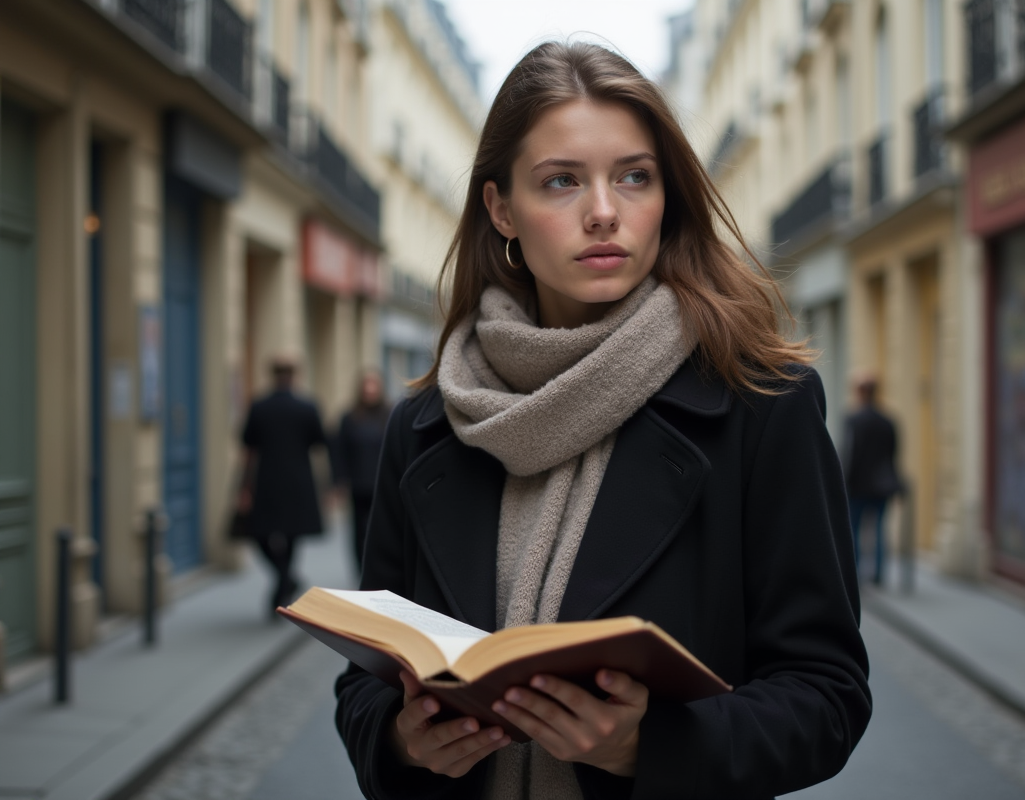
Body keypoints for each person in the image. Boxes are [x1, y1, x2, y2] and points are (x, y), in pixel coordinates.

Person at [334, 42, 870, 800]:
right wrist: (400, 742)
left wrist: (648, 746)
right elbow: (363, 685)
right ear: (501, 209)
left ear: (666, 196)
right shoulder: (426, 423)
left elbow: (828, 695)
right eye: (561, 181)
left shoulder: (761, 404)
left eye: (634, 176)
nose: (604, 211)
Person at [239, 355, 330, 615]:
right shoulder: (307, 406)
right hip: (298, 480)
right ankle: (286, 578)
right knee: (291, 536)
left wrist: (244, 487)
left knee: (259, 534)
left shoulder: (259, 406)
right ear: (294, 376)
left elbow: (248, 447)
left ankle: (282, 583)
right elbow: (319, 442)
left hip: (266, 480)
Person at [842, 373, 902, 586]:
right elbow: (894, 453)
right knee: (878, 529)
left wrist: (844, 482)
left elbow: (850, 454)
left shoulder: (853, 420)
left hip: (857, 485)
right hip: (881, 485)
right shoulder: (888, 421)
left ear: (859, 392)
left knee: (854, 529)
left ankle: (855, 572)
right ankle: (878, 574)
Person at [333, 369, 391, 572]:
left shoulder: (390, 415)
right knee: (358, 531)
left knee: (383, 528)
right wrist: (339, 481)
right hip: (358, 484)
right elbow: (339, 451)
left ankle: (381, 568)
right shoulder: (349, 418)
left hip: (383, 484)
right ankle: (361, 569)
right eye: (366, 385)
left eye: (374, 385)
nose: (370, 390)